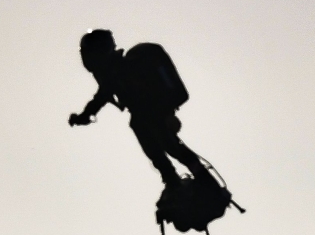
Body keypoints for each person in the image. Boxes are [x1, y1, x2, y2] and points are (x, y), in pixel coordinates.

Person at [68, 29, 211, 189]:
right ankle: (178, 180)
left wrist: (166, 113)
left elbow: (101, 98)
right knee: (165, 146)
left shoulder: (122, 69)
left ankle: (189, 181)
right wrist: (84, 116)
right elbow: (99, 99)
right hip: (150, 113)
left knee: (168, 145)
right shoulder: (114, 73)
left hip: (155, 112)